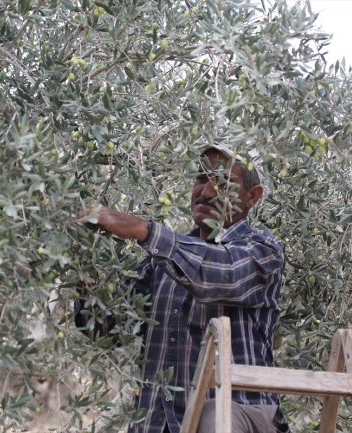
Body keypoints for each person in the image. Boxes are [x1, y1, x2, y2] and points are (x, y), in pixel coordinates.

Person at [74, 145, 289, 433]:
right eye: (201, 179)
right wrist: (83, 269)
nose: (208, 192)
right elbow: (105, 332)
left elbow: (218, 274)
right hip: (156, 423)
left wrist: (143, 229)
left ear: (252, 196)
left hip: (237, 419)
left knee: (213, 415)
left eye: (224, 183)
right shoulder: (158, 264)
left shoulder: (262, 250)